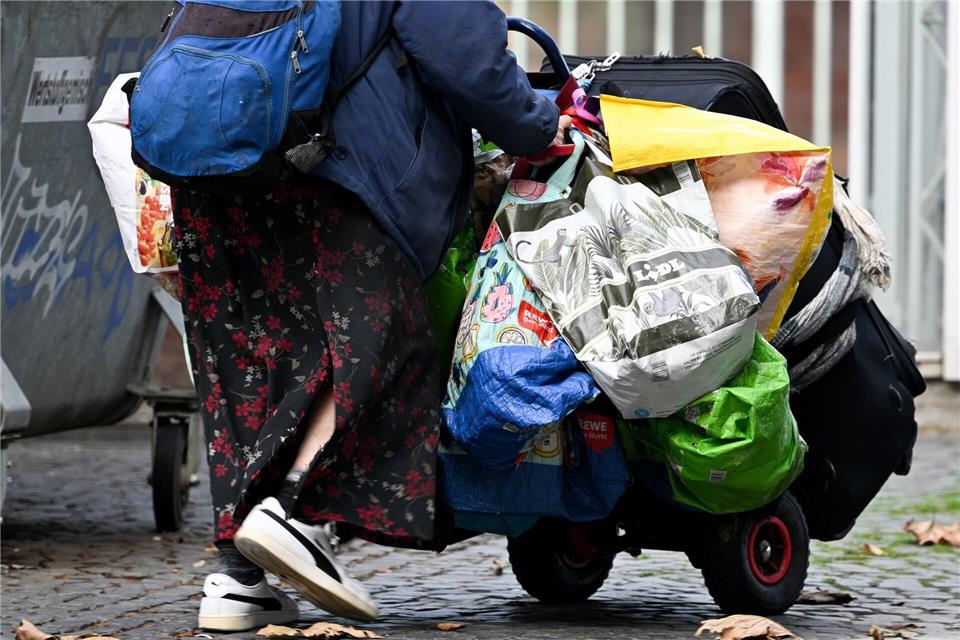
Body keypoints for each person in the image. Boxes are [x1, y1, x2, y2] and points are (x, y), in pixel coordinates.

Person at [180, 1, 567, 632]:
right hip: (327, 162)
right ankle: (295, 510)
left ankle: (239, 577)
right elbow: (468, 58)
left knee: (252, 357)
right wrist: (538, 126)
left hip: (211, 163)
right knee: (383, 340)